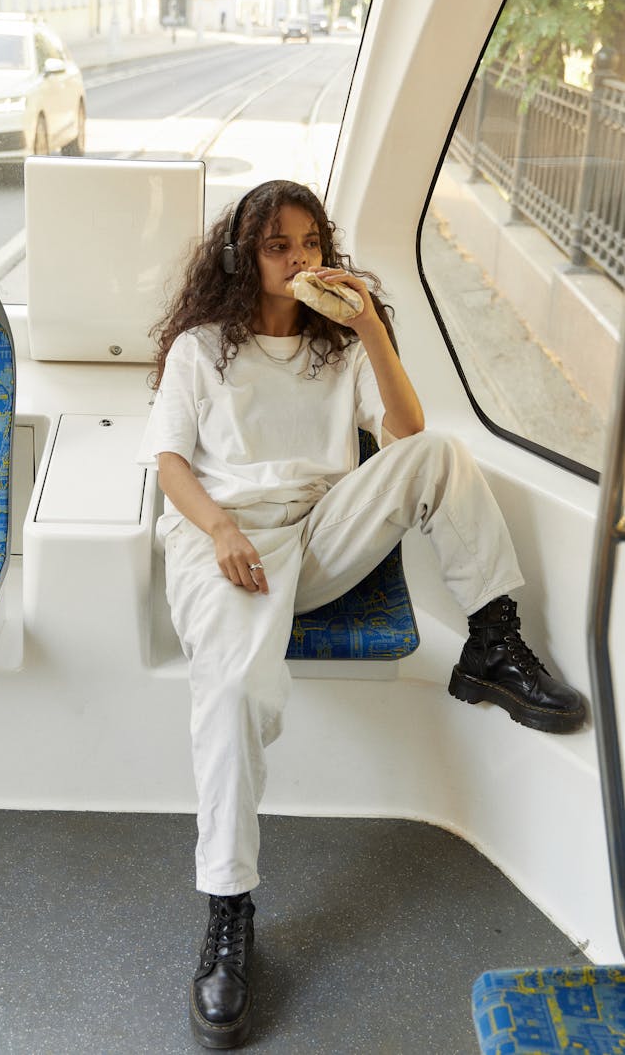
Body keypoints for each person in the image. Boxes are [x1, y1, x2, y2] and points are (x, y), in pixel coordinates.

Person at [137, 179, 585, 1050]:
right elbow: (169, 464)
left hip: (319, 531)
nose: (298, 260)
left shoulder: (336, 348)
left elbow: (408, 432)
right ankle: (229, 914)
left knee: (440, 454)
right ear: (243, 256)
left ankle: (493, 642)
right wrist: (223, 526)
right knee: (231, 696)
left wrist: (370, 325)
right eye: (278, 246)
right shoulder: (201, 349)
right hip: (225, 539)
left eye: (309, 243)